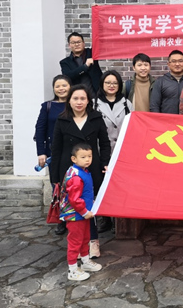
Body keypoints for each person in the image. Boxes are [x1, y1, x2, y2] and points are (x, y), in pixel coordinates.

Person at [51, 84, 111, 258]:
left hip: (92, 168)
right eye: (75, 98)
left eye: (83, 98)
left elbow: (104, 143)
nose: (79, 102)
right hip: (69, 170)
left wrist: (105, 163)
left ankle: (93, 241)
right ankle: (77, 244)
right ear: (69, 101)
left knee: (88, 206)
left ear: (88, 101)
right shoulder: (62, 120)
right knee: (74, 206)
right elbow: (56, 149)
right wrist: (55, 176)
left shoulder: (96, 118)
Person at [94, 70, 133, 234]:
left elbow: (133, 126)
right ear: (102, 84)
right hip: (101, 149)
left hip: (122, 150)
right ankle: (105, 218)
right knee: (102, 183)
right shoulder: (94, 103)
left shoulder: (127, 103)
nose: (111, 86)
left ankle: (119, 218)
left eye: (115, 83)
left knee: (119, 184)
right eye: (108, 82)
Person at [59, 143, 103, 282]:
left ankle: (85, 261)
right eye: (83, 157)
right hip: (76, 215)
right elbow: (74, 199)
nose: (87, 159)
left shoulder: (84, 171)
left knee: (85, 239)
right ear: (74, 159)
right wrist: (84, 212)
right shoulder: (76, 176)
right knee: (75, 242)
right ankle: (72, 270)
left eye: (89, 156)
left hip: (83, 213)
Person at [35, 74, 71, 175]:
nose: (61, 89)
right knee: (56, 181)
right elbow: (40, 129)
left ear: (70, 87)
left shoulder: (77, 105)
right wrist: (41, 152)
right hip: (53, 150)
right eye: (57, 86)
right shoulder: (47, 106)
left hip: (74, 150)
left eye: (64, 85)